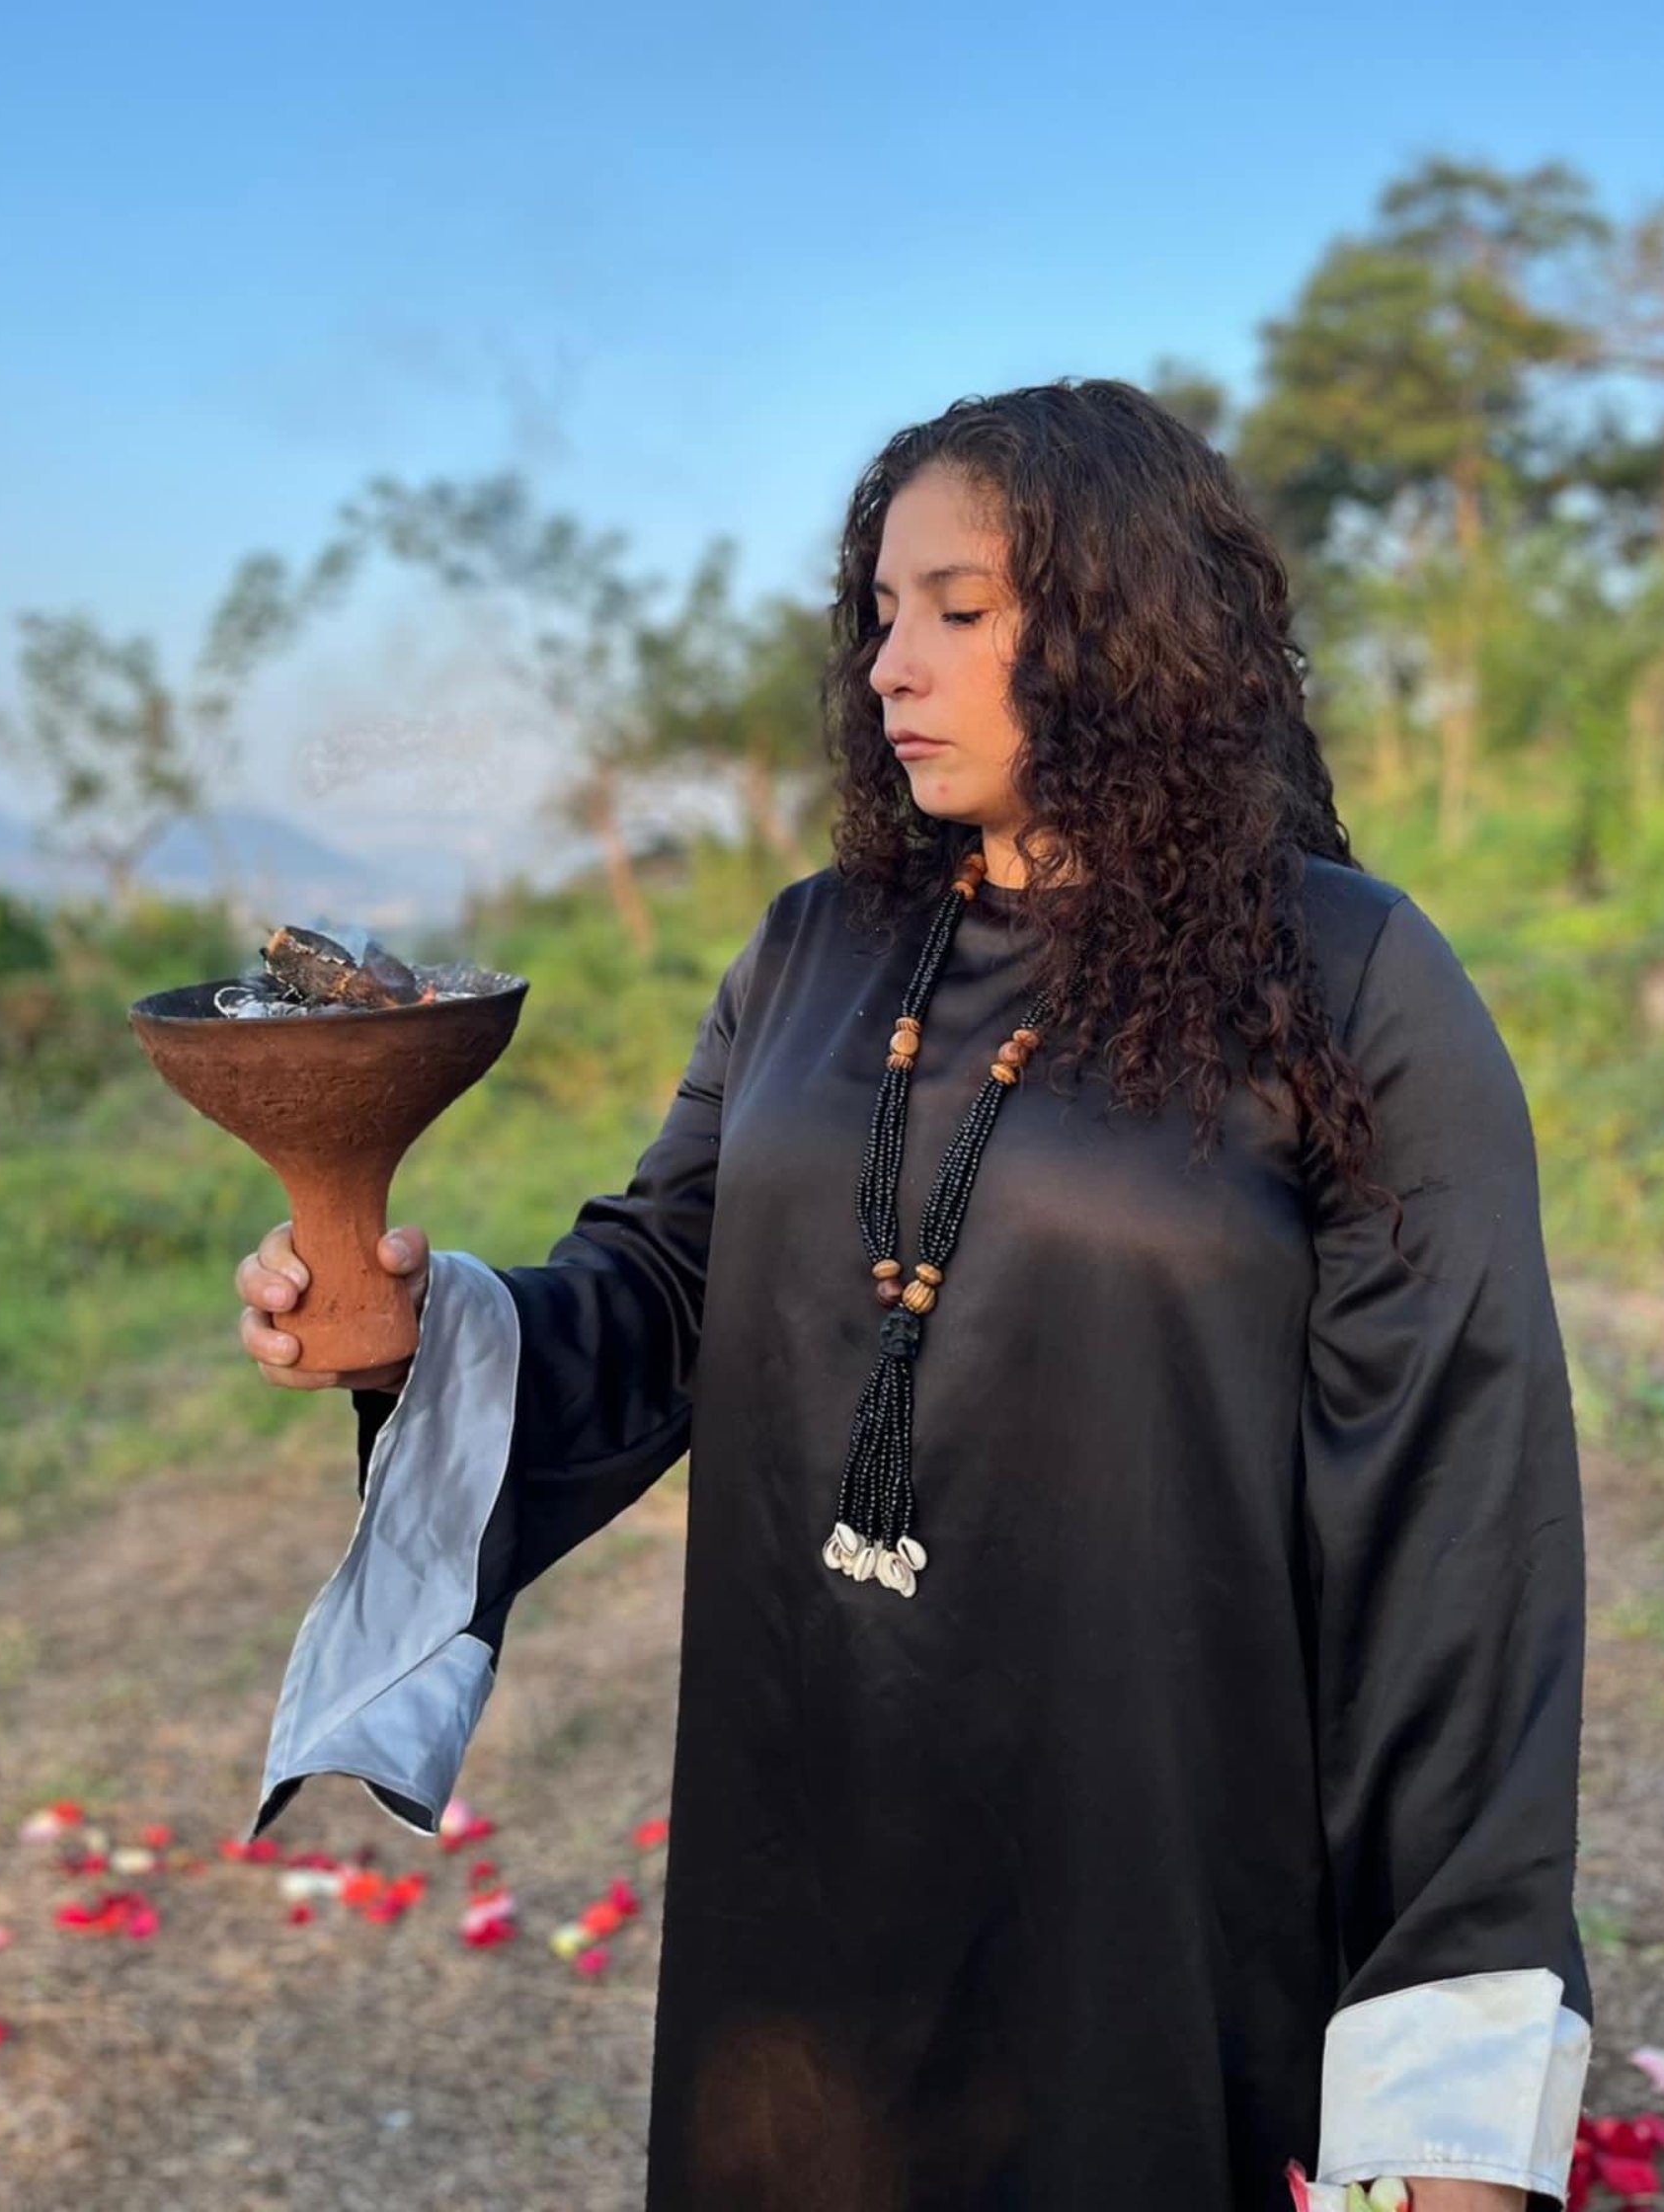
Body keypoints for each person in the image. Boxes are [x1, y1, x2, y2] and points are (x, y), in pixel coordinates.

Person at [234, 379, 1593, 2211]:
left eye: (961, 611)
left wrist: (1451, 2097)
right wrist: (429, 1324)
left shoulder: (1346, 979)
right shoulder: (812, 950)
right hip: (807, 1835)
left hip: (1154, 1852)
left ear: (1131, 625)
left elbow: (1460, 1525)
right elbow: (665, 1284)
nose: (892, 665)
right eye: (880, 614)